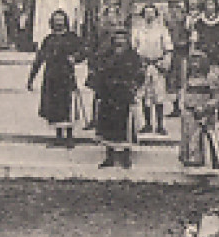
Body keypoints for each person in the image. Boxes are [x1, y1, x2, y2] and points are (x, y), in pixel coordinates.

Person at [27, 10, 82, 148]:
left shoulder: (72, 37)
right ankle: (58, 137)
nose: (59, 22)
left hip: (66, 76)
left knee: (67, 106)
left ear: (65, 21)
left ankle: (69, 138)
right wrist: (31, 78)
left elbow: (84, 50)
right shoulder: (48, 39)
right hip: (51, 77)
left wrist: (75, 58)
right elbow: (39, 59)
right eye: (56, 20)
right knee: (54, 108)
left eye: (61, 19)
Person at [93, 28, 143, 169]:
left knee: (126, 126)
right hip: (109, 94)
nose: (120, 41)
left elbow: (139, 74)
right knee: (108, 125)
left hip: (124, 94)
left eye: (123, 38)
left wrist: (134, 87)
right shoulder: (106, 56)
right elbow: (100, 73)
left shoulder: (133, 56)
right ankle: (109, 157)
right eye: (117, 38)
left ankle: (126, 157)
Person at [178, 35, 219, 169]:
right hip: (189, 115)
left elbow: (218, 99)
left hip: (204, 115)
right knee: (188, 141)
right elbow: (184, 92)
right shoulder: (188, 77)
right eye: (192, 61)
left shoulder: (211, 77)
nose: (194, 65)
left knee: (202, 142)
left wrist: (205, 107)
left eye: (197, 61)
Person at [130, 3, 172, 136]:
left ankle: (160, 125)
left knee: (159, 96)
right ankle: (148, 124)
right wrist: (137, 64)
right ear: (143, 15)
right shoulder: (138, 30)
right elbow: (133, 48)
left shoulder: (162, 30)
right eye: (146, 12)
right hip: (143, 65)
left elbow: (168, 48)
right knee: (144, 95)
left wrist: (164, 63)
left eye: (152, 12)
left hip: (157, 65)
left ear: (155, 14)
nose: (149, 15)